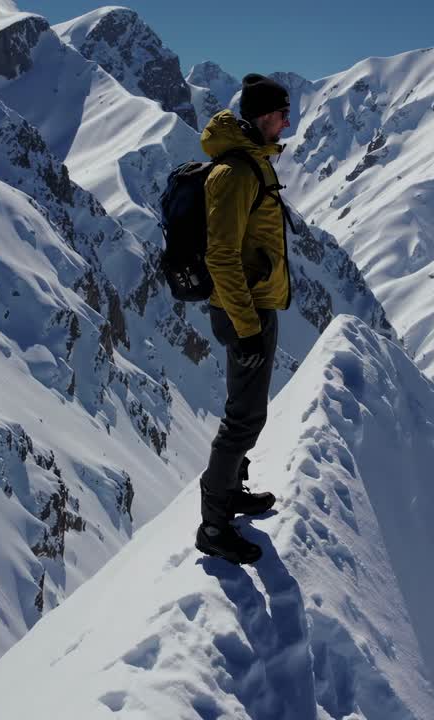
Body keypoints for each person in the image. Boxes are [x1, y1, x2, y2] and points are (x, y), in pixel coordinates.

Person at [194, 74, 293, 565]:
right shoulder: (235, 173)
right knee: (244, 418)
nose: (287, 121)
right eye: (281, 113)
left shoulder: (254, 163)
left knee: (245, 410)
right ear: (260, 116)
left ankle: (230, 493)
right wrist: (249, 327)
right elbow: (220, 256)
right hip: (244, 311)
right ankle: (213, 525)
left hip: (254, 305)